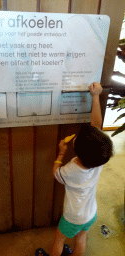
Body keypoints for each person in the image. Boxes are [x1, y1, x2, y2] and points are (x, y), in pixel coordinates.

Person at [35, 82, 113, 256]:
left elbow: (56, 173)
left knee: (59, 239)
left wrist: (61, 154)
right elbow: (96, 124)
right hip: (90, 214)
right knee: (81, 239)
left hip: (72, 217)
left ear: (77, 148)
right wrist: (95, 96)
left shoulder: (71, 169)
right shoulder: (99, 159)